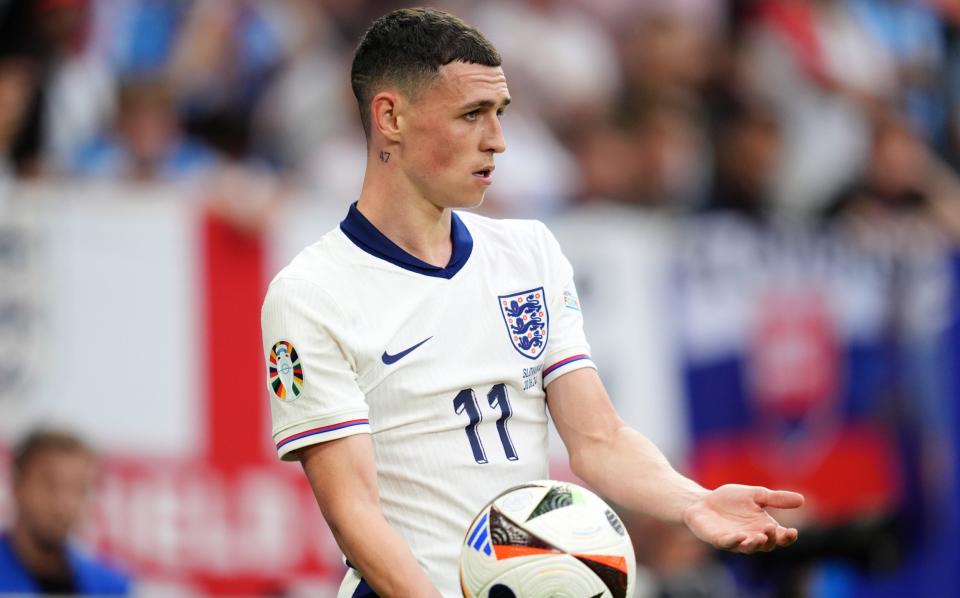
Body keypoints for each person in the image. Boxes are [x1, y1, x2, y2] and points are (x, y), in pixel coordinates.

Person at [260, 8, 804, 597]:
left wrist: (694, 503)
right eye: (471, 115)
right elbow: (353, 512)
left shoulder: (529, 251)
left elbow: (598, 440)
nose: (497, 141)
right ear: (390, 116)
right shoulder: (312, 293)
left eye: (500, 114)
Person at [0, 430, 129, 595]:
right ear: (17, 485)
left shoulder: (110, 586)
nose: (63, 505)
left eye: (79, 488)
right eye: (50, 486)